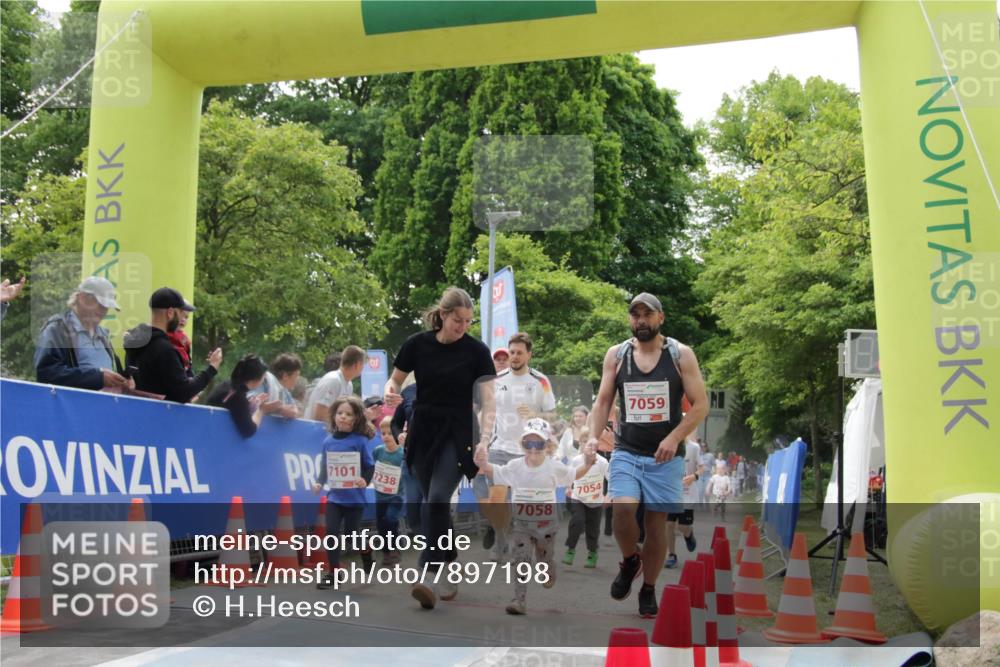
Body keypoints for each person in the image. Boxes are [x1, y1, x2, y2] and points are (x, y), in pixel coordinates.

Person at [586, 292, 708, 618]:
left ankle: (649, 588)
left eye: (647, 315)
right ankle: (630, 561)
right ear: (630, 320)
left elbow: (701, 405)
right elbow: (602, 402)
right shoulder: (617, 355)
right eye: (635, 315)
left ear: (660, 318)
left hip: (665, 456)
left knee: (656, 528)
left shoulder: (681, 355)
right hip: (627, 449)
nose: (641, 320)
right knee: (622, 511)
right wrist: (591, 439)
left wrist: (674, 437)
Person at [384, 286, 495, 610]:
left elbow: (489, 401)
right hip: (422, 429)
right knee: (419, 513)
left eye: (468, 322)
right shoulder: (416, 344)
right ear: (443, 315)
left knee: (437, 499)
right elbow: (395, 381)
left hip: (458, 430)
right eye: (458, 320)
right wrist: (392, 395)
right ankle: (448, 558)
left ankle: (428, 574)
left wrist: (485, 438)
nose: (463, 327)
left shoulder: (476, 351)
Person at [475, 418, 587, 615]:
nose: (533, 449)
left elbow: (573, 475)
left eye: (539, 444)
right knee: (521, 560)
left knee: (543, 559)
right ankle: (519, 600)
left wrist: (589, 462)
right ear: (522, 444)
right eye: (528, 444)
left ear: (548, 445)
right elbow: (496, 472)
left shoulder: (553, 466)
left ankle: (548, 567)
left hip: (547, 528)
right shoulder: (515, 466)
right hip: (522, 526)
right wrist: (483, 463)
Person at [475, 332, 556, 562]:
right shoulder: (496, 380)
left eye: (520, 352)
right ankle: (501, 543)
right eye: (512, 352)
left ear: (529, 354)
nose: (515, 356)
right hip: (499, 448)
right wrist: (483, 440)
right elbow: (487, 414)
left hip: (529, 450)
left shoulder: (541, 381)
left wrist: (534, 415)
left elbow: (552, 415)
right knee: (497, 499)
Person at [313, 396, 376, 584]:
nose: (343, 417)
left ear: (356, 418)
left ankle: (366, 553)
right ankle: (334, 573)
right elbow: (326, 466)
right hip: (335, 497)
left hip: (354, 498)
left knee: (351, 537)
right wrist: (319, 482)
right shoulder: (328, 441)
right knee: (331, 533)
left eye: (348, 414)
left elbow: (369, 465)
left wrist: (364, 479)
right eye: (340, 413)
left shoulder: (360, 441)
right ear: (333, 416)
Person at [124, 287, 222, 402]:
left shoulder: (136, 341)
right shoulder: (164, 349)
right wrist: (212, 368)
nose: (182, 319)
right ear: (170, 313)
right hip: (161, 416)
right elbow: (183, 391)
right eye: (180, 313)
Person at [34, 277, 131, 391]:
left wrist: (124, 380)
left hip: (104, 406)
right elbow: (46, 374)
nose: (103, 311)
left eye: (107, 307)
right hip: (73, 406)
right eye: (100, 304)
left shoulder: (103, 336)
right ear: (82, 298)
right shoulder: (57, 329)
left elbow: (109, 374)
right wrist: (97, 377)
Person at [206, 354, 281, 438]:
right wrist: (261, 410)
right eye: (264, 377)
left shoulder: (227, 385)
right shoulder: (238, 396)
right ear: (256, 380)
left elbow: (234, 408)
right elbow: (249, 430)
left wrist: (250, 406)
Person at [563, 440, 608, 568]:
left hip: (595, 500)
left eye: (595, 446)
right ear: (583, 446)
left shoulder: (602, 462)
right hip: (578, 497)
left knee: (593, 530)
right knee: (577, 521)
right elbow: (569, 475)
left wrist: (609, 495)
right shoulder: (576, 460)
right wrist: (568, 487)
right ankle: (570, 549)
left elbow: (611, 477)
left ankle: (592, 553)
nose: (592, 448)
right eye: (589, 445)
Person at [665, 437, 703, 568]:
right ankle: (672, 555)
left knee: (682, 527)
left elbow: (702, 468)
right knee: (669, 524)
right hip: (672, 493)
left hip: (688, 495)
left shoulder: (694, 447)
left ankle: (689, 534)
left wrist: (694, 476)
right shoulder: (668, 445)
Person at [372, 417, 405, 566]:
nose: (386, 436)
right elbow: (373, 467)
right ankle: (387, 552)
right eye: (383, 433)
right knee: (381, 524)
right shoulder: (378, 451)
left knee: (391, 519)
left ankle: (394, 550)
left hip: (396, 495)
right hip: (380, 495)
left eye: (390, 433)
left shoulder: (402, 454)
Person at [303, 345, 365, 423]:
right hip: (317, 432)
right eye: (363, 365)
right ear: (357, 364)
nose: (363, 368)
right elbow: (320, 415)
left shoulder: (348, 384)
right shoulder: (333, 380)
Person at [249, 352, 302, 418]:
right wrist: (279, 409)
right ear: (285, 376)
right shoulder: (264, 381)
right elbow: (250, 403)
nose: (298, 379)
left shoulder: (285, 392)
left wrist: (293, 412)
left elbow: (295, 411)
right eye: (296, 375)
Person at [165, 298, 195, 377]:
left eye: (186, 317)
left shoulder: (185, 339)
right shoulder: (162, 336)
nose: (183, 320)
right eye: (180, 315)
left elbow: (188, 362)